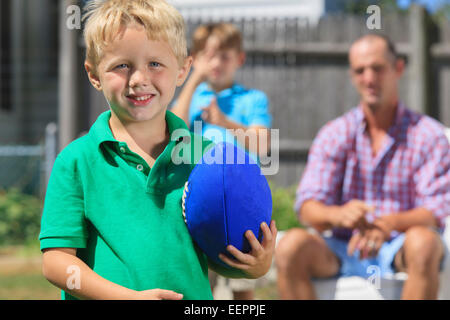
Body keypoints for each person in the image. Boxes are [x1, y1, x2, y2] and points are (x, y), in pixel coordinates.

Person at [39, 0, 276, 300]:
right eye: (122, 65)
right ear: (93, 74)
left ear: (182, 70)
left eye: (155, 64)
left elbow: (223, 253)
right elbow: (56, 264)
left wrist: (257, 264)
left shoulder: (208, 159)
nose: (139, 79)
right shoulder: (76, 161)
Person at [275, 34, 450, 300]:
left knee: (424, 243)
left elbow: (436, 210)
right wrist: (338, 215)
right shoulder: (334, 133)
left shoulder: (429, 135)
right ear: (352, 75)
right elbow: (307, 206)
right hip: (342, 248)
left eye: (377, 68)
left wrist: (387, 224)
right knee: (289, 247)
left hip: (401, 246)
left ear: (398, 69)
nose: (369, 78)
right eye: (360, 70)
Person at [171, 22, 272, 300]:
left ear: (239, 59)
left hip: (241, 197)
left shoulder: (252, 100)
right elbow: (172, 133)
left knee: (242, 276)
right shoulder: (192, 99)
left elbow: (262, 144)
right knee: (199, 276)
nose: (216, 63)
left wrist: (223, 121)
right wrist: (193, 78)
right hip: (196, 198)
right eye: (208, 55)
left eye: (224, 56)